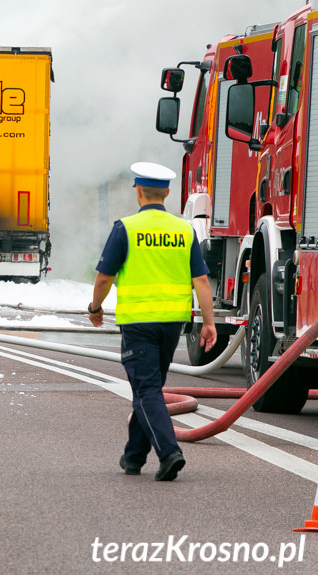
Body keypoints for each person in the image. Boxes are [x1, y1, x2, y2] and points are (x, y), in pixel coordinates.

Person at [88, 162, 216, 481]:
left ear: (139, 192)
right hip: (173, 323)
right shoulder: (184, 229)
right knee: (151, 389)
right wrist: (209, 322)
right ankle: (133, 456)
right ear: (168, 193)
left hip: (139, 322)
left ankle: (169, 452)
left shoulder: (126, 227)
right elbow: (201, 281)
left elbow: (105, 277)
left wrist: (95, 307)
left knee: (146, 390)